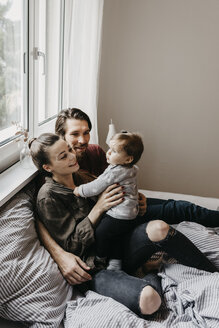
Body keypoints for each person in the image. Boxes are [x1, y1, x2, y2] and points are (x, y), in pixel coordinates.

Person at [30, 133, 217, 317]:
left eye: (69, 149)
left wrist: (137, 202)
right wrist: (98, 209)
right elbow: (71, 246)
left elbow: (119, 195)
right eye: (64, 156)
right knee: (149, 301)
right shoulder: (48, 197)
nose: (72, 156)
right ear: (47, 167)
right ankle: (146, 272)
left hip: (118, 246)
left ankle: (213, 273)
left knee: (160, 227)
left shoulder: (82, 177)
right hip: (95, 267)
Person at [38, 107, 219, 285]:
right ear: (61, 137)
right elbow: (40, 216)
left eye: (86, 132)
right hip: (111, 216)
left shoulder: (95, 152)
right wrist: (59, 254)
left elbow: (121, 177)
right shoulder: (55, 173)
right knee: (164, 222)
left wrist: (137, 197)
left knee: (180, 208)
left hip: (124, 205)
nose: (82, 140)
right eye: (75, 134)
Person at [74, 131, 144, 270]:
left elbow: (95, 187)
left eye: (114, 151)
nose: (108, 153)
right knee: (117, 237)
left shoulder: (116, 172)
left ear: (128, 159)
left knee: (101, 233)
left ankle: (100, 258)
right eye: (109, 149)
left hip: (119, 213)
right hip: (130, 214)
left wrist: (79, 190)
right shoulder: (131, 169)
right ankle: (115, 263)